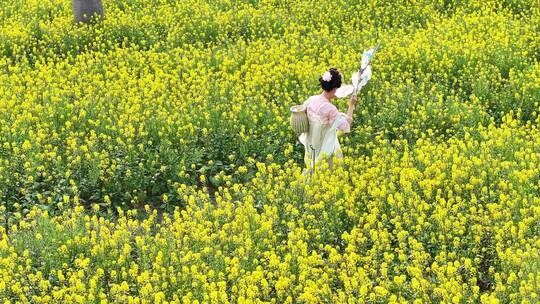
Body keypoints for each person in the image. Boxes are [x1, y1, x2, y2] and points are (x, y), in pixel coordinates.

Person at [299, 68, 357, 174]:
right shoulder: (330, 109)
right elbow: (346, 127)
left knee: (312, 171)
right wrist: (351, 105)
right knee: (328, 172)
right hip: (324, 148)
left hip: (311, 145)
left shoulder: (311, 100)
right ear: (334, 89)